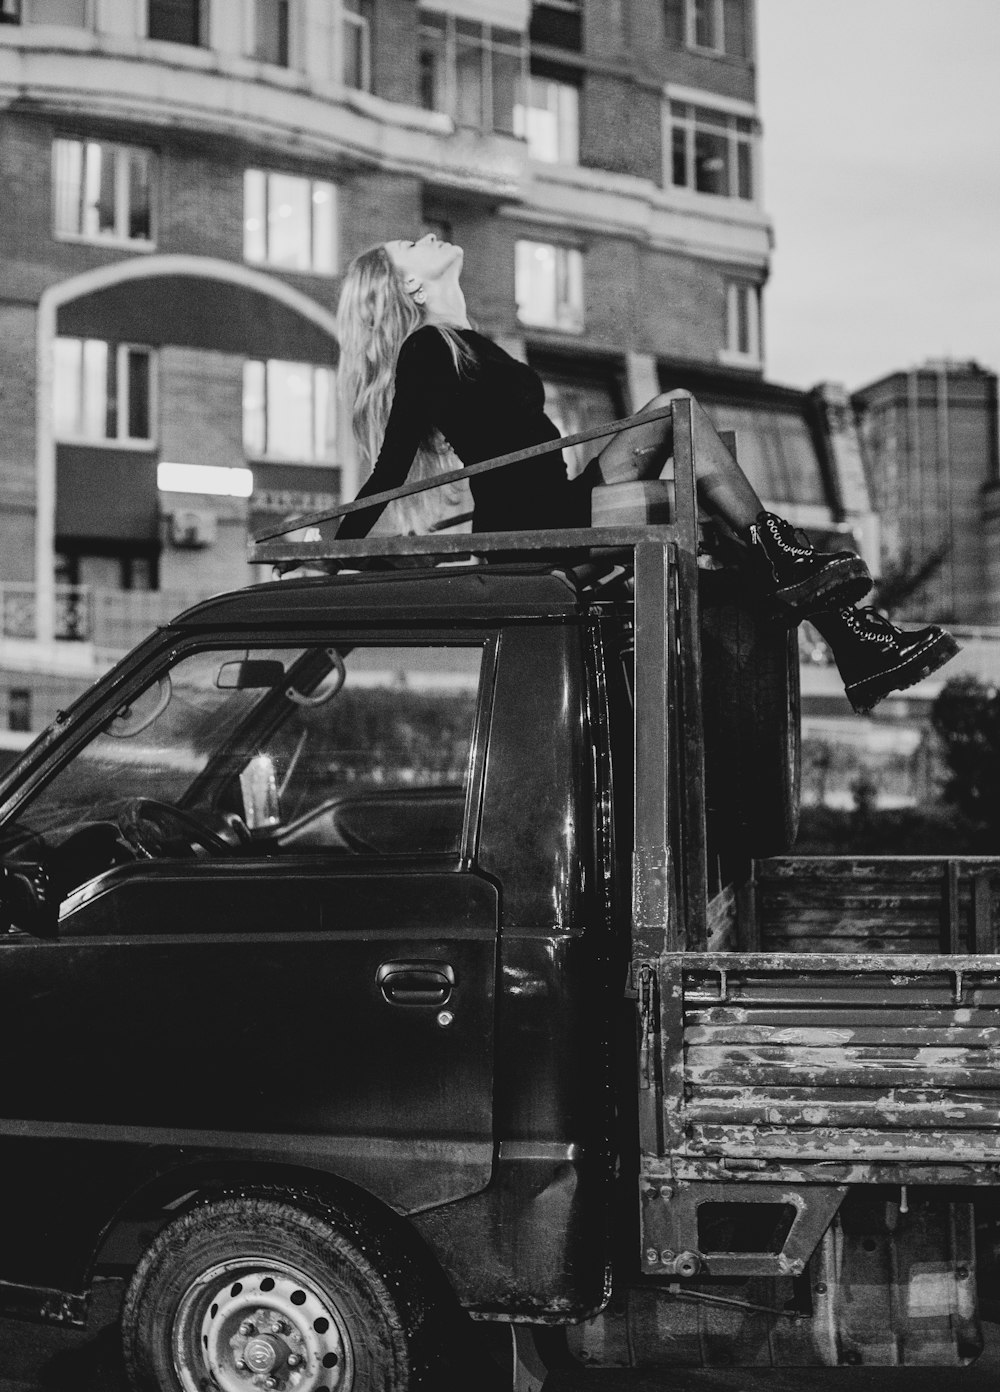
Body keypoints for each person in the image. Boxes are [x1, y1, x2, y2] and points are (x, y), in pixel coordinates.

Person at [332, 233, 958, 713]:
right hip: (535, 526)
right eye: (413, 246)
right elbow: (389, 468)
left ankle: (846, 632)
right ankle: (844, 625)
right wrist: (335, 552)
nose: (429, 238)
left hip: (563, 501)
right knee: (680, 415)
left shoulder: (467, 341)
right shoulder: (426, 350)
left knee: (681, 423)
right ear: (411, 287)